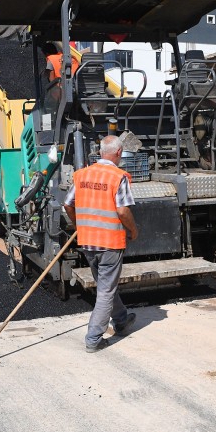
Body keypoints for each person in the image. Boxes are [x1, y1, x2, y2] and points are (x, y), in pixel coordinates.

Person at [64, 135, 138, 352]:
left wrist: (79, 225)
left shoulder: (82, 174)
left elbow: (67, 204)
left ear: (100, 152)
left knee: (106, 286)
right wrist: (134, 230)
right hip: (110, 242)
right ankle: (93, 339)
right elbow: (122, 211)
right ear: (119, 153)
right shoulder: (118, 177)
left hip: (88, 241)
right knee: (105, 291)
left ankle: (121, 320)